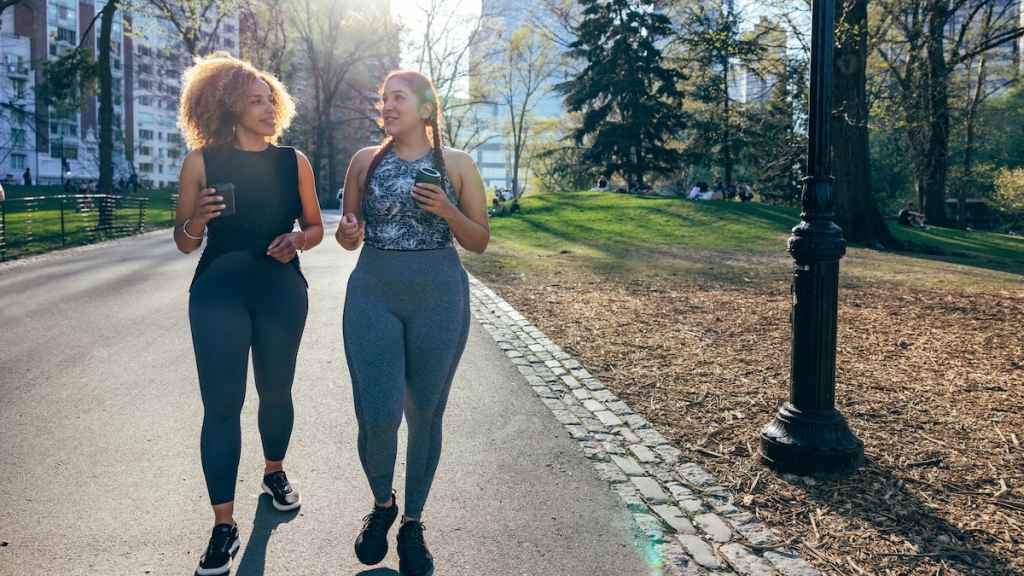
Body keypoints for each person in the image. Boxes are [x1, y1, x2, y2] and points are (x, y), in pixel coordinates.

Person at [173, 52, 324, 576]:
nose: (266, 107)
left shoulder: (293, 162)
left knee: (276, 390)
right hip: (217, 290)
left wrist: (297, 239)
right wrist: (196, 218)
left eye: (270, 99)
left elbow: (315, 228)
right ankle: (223, 526)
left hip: (281, 288)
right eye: (253, 100)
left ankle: (274, 471)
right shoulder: (200, 161)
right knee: (221, 406)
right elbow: (184, 242)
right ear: (227, 106)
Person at [335, 69, 488, 576]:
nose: (387, 106)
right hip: (373, 291)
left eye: (397, 98)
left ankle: (413, 523)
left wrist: (446, 208)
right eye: (383, 99)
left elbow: (479, 241)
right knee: (376, 415)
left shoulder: (459, 164)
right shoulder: (364, 162)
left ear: (425, 109)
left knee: (426, 413)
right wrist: (350, 231)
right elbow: (347, 237)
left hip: (439, 295)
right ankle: (383, 505)